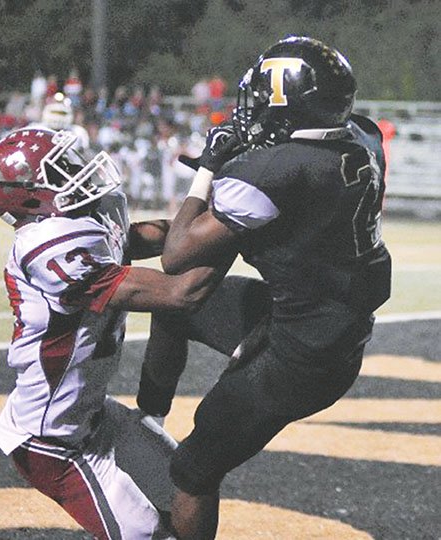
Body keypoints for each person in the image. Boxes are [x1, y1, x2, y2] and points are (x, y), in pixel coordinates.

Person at [137, 36, 392, 539]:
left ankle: (162, 442)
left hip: (300, 357)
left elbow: (178, 254)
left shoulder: (273, 173)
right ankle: (149, 421)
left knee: (191, 472)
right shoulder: (362, 138)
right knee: (175, 311)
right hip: (324, 322)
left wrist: (207, 171)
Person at [0, 127, 221, 539]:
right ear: (31, 194)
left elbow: (175, 240)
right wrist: (241, 224)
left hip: (92, 415)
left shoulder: (81, 223)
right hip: (51, 442)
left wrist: (215, 184)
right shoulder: (49, 246)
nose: (78, 171)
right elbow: (183, 293)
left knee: (192, 483)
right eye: (62, 170)